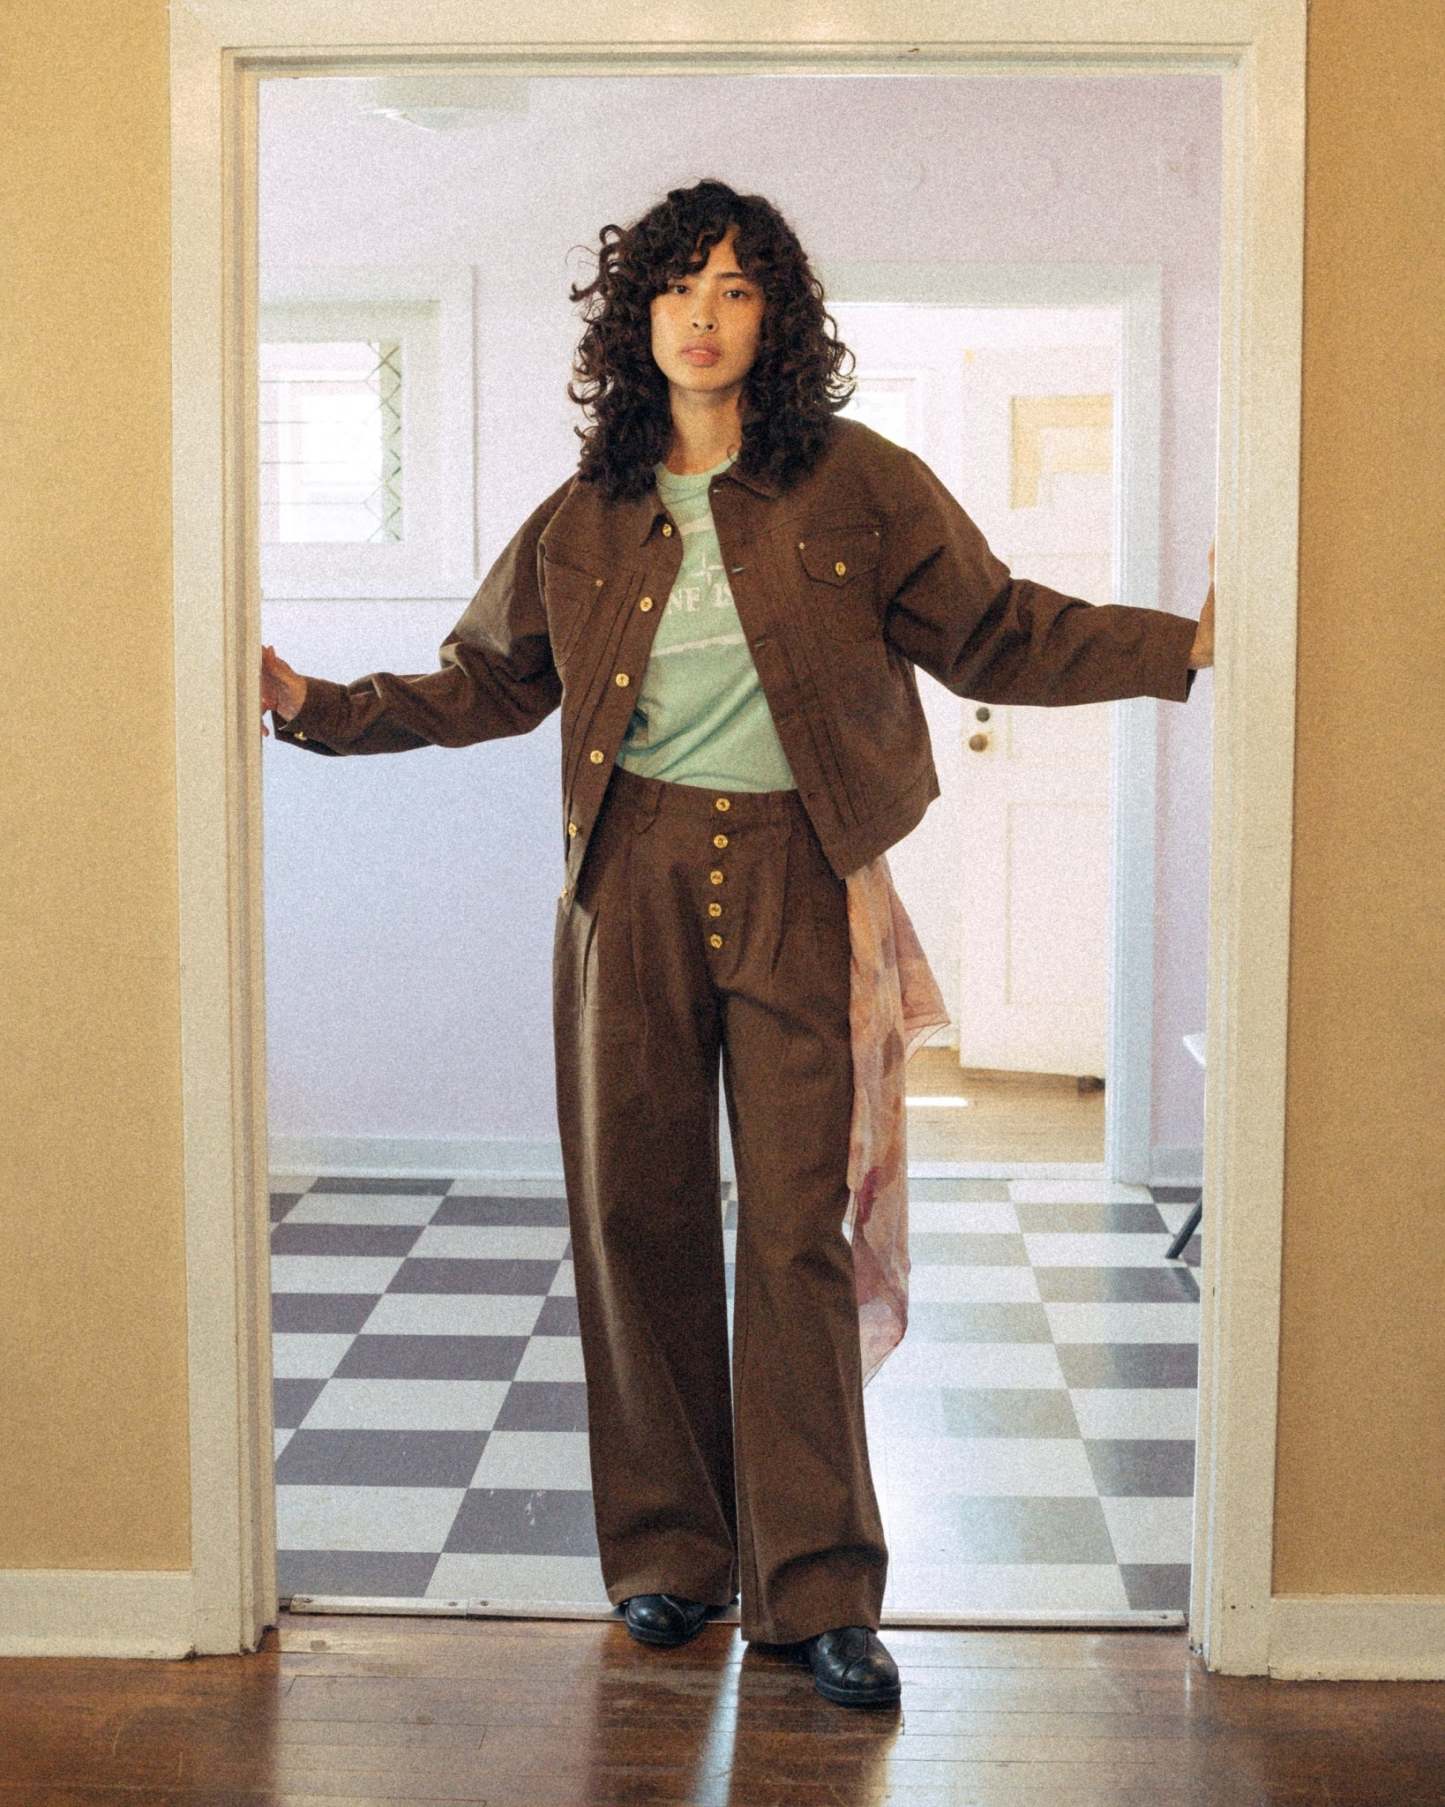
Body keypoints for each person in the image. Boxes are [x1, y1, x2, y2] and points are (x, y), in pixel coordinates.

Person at [262, 177, 1215, 1709]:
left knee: (793, 1233)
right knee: (633, 1218)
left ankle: (818, 1591)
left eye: (734, 289)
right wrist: (314, 706)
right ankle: (668, 1559)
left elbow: (997, 631)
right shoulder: (586, 514)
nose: (700, 317)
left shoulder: (859, 484)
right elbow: (487, 682)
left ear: (776, 319)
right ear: (634, 317)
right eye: (674, 287)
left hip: (797, 875)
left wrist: (1185, 643)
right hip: (625, 877)